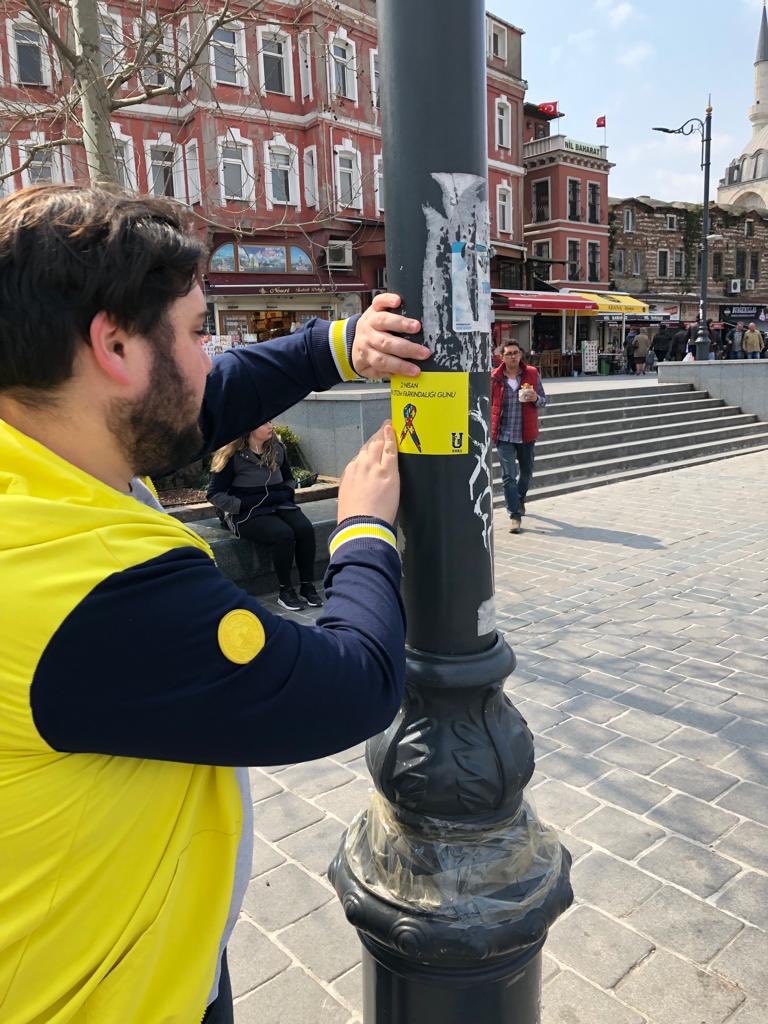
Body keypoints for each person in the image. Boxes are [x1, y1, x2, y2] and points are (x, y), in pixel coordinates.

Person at [0, 185, 430, 1023]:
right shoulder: (83, 582)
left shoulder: (44, 453)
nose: (211, 358)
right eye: (199, 332)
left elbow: (188, 402)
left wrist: (340, 345)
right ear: (113, 345)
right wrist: (364, 528)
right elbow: (352, 686)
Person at [207, 421, 322, 611]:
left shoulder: (277, 449)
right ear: (249, 428)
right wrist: (242, 504)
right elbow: (214, 494)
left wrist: (284, 493)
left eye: (270, 421)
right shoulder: (232, 455)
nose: (271, 426)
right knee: (283, 534)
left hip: (278, 504)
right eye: (265, 422)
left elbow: (289, 479)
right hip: (247, 512)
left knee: (304, 529)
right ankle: (286, 591)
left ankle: (307, 586)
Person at [491, 341, 547, 534]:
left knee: (526, 473)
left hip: (526, 433)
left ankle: (520, 498)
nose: (513, 356)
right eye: (508, 353)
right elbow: (487, 403)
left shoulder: (531, 373)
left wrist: (535, 398)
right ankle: (514, 515)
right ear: (501, 357)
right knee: (508, 476)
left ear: (521, 355)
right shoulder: (495, 377)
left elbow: (544, 400)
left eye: (516, 353)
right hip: (504, 435)